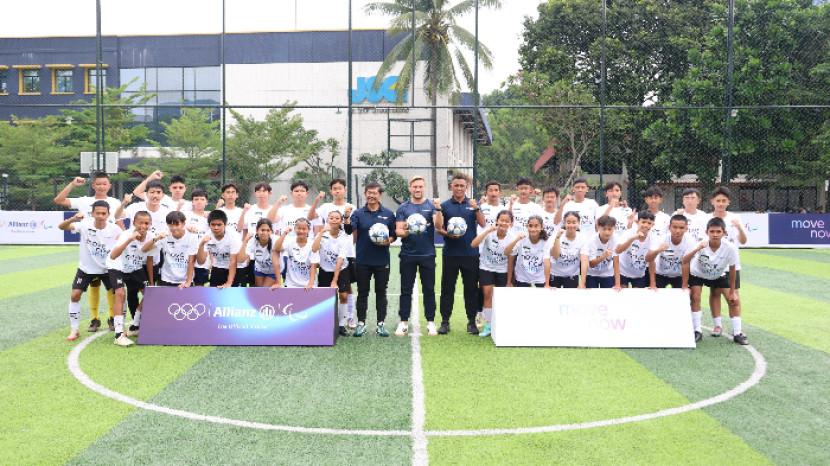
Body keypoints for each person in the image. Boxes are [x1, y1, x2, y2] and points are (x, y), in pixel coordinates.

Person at [53, 172, 120, 332]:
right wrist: (72, 184)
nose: (101, 186)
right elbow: (59, 200)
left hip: (107, 254)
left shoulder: (115, 202)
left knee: (112, 289)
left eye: (104, 183)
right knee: (93, 284)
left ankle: (112, 318)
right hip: (89, 253)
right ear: (93, 185)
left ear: (109, 186)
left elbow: (119, 223)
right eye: (98, 183)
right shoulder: (84, 201)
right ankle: (94, 319)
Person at [58, 201, 123, 343]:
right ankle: (74, 329)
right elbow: (61, 227)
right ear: (92, 213)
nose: (100, 216)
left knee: (118, 293)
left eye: (103, 213)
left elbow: (123, 243)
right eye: (97, 213)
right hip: (86, 269)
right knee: (75, 295)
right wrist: (73, 219)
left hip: (107, 268)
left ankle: (116, 323)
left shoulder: (115, 229)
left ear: (108, 214)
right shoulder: (84, 225)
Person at [683, 217, 747, 345]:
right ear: (706, 232)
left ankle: (737, 333)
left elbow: (732, 269)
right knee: (695, 297)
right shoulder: (700, 244)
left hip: (718, 274)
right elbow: (685, 260)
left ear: (724, 233)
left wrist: (733, 291)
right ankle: (697, 331)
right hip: (698, 274)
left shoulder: (730, 248)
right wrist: (697, 249)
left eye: (718, 231)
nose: (715, 234)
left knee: (733, 301)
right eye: (712, 231)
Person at [435, 173, 485, 335]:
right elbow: (438, 227)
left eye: (462, 186)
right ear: (451, 187)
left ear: (466, 187)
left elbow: (483, 223)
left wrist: (476, 208)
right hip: (450, 254)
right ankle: (445, 322)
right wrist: (448, 234)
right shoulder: (444, 205)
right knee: (447, 289)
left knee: (471, 289)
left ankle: (471, 322)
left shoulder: (473, 204)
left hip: (471, 254)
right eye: (456, 185)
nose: (459, 188)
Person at [348, 182, 396, 337]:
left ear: (380, 195)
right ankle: (361, 324)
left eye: (374, 193)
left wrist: (388, 240)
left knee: (381, 292)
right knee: (362, 293)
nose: (371, 195)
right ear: (365, 194)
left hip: (382, 261)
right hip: (362, 260)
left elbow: (394, 234)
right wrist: (346, 218)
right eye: (369, 193)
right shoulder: (358, 213)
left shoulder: (388, 214)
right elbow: (349, 230)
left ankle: (380, 324)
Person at [394, 176, 439, 337]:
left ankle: (430, 322)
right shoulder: (403, 207)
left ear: (424, 188)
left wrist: (438, 210)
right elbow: (398, 231)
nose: (417, 189)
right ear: (410, 188)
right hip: (408, 254)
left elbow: (438, 226)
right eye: (415, 187)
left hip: (427, 254)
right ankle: (403, 322)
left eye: (420, 186)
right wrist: (409, 230)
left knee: (429, 289)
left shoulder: (431, 206)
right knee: (406, 289)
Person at [309, 178, 357, 327]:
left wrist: (350, 245)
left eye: (340, 188)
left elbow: (353, 230)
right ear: (331, 191)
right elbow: (311, 216)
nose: (337, 191)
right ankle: (330, 319)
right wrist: (316, 200)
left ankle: (350, 316)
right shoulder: (325, 207)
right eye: (334, 188)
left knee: (347, 288)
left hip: (347, 252)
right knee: (328, 289)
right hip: (328, 252)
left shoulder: (351, 207)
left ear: (345, 190)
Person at [106, 210, 154, 341]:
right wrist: (129, 240)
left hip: (135, 267)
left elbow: (149, 259)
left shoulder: (151, 237)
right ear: (134, 223)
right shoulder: (126, 234)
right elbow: (113, 255)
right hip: (117, 266)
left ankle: (134, 325)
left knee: (150, 294)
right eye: (140, 223)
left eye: (146, 223)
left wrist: (151, 282)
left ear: (150, 224)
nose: (143, 226)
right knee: (120, 294)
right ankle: (118, 333)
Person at [707, 186, 747, 337]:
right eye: (718, 200)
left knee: (733, 296)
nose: (721, 203)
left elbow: (743, 241)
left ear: (728, 202)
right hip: (713, 264)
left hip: (731, 264)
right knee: (715, 293)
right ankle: (717, 326)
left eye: (724, 200)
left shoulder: (734, 218)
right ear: (712, 201)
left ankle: (737, 330)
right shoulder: (706, 218)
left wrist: (740, 228)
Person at [471, 210, 515, 337]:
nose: (504, 223)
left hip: (502, 270)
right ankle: (488, 325)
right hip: (486, 267)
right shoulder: (489, 232)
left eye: (507, 221)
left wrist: (509, 281)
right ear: (497, 221)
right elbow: (473, 244)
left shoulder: (512, 238)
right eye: (501, 220)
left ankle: (499, 324)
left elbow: (510, 261)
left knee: (499, 297)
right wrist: (487, 231)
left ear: (511, 223)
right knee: (487, 294)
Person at [311, 211, 352, 336]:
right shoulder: (322, 234)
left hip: (341, 269)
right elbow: (314, 249)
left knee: (343, 295)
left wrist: (334, 280)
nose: (334, 220)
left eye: (337, 218)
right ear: (327, 220)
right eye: (331, 218)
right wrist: (321, 232)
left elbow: (340, 259)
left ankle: (341, 325)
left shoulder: (345, 236)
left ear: (341, 221)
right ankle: (326, 323)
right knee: (325, 298)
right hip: (325, 270)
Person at [142, 211, 197, 288]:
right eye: (171, 225)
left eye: (177, 224)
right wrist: (157, 238)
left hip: (185, 280)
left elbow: (191, 261)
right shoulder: (164, 236)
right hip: (166, 279)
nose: (174, 228)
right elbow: (144, 249)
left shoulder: (192, 237)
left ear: (183, 223)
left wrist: (188, 282)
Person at [647, 214, 694, 289]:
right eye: (674, 227)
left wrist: (685, 285)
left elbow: (685, 263)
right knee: (654, 295)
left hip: (679, 275)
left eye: (681, 228)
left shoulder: (690, 241)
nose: (678, 231)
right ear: (669, 227)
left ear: (686, 228)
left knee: (683, 294)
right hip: (660, 273)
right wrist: (658, 250)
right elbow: (648, 259)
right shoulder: (661, 239)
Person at [196, 210, 241, 288]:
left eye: (219, 225)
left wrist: (229, 283)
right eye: (213, 225)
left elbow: (233, 261)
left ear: (225, 225)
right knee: (214, 293)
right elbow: (200, 261)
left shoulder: (233, 236)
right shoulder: (206, 236)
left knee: (231, 293)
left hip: (234, 269)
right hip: (217, 268)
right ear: (209, 225)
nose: (216, 227)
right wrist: (201, 245)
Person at [239, 182, 273, 286]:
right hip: (252, 255)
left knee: (269, 287)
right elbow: (242, 229)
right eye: (258, 191)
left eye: (264, 191)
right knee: (254, 285)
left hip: (269, 256)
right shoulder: (250, 210)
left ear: (270, 193)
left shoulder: (274, 210)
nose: (261, 193)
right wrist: (245, 250)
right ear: (255, 193)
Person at [271, 218, 318, 289]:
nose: (301, 231)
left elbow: (313, 265)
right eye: (299, 228)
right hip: (291, 284)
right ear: (295, 229)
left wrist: (311, 284)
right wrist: (284, 233)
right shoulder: (289, 241)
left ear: (309, 230)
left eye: (304, 229)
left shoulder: (313, 244)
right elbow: (276, 248)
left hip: (309, 284)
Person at [506, 215, 550, 287]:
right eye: (530, 226)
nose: (533, 229)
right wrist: (516, 239)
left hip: (539, 279)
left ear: (542, 227)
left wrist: (547, 284)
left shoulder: (546, 242)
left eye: (536, 226)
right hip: (521, 278)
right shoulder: (521, 238)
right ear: (527, 226)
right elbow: (506, 253)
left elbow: (547, 263)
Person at [615, 211, 656, 288]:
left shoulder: (653, 238)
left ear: (653, 225)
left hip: (639, 274)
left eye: (649, 223)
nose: (646, 225)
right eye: (643, 222)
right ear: (637, 222)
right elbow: (618, 250)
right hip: (623, 271)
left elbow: (651, 261)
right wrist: (633, 238)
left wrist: (653, 283)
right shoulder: (628, 233)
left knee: (638, 294)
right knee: (621, 293)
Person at [548, 211, 588, 288]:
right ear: (564, 223)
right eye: (568, 222)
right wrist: (557, 238)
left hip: (572, 276)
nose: (571, 225)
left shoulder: (582, 238)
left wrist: (582, 283)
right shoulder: (555, 235)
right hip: (554, 275)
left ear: (578, 223)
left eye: (574, 222)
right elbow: (555, 256)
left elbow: (584, 260)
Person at [581, 215, 621, 289]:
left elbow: (616, 263)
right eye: (604, 229)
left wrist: (618, 284)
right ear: (598, 227)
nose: (607, 232)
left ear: (614, 228)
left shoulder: (615, 240)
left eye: (610, 229)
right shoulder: (592, 241)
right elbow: (591, 264)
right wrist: (603, 256)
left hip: (607, 273)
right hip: (592, 273)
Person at [238, 218, 277, 287]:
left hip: (274, 270)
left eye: (268, 230)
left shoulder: (276, 240)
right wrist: (245, 241)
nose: (265, 233)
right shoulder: (252, 240)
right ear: (257, 231)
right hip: (259, 269)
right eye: (262, 230)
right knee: (259, 289)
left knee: (264, 290)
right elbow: (240, 260)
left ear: (271, 232)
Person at [185, 189, 211, 286]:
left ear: (206, 202)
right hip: (187, 256)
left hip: (203, 257)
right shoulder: (186, 215)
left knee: (199, 286)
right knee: (185, 285)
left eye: (202, 199)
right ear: (192, 202)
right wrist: (187, 227)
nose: (199, 202)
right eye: (196, 199)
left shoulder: (210, 218)